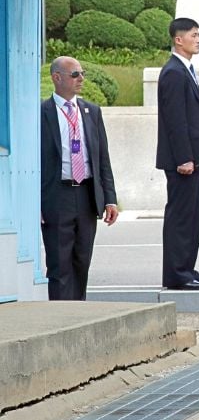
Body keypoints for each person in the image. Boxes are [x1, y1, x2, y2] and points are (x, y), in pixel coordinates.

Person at [40, 57, 118, 300]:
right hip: (57, 195)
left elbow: (102, 158)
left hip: (86, 194)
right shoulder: (42, 113)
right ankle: (60, 316)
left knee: (81, 260)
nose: (81, 79)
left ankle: (78, 312)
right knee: (59, 264)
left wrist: (110, 199)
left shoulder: (91, 111)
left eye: (82, 73)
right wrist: (35, 203)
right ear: (57, 77)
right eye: (75, 74)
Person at [157, 17, 199, 291]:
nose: (198, 39)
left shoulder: (185, 70)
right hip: (184, 161)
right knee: (181, 217)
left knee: (192, 217)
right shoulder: (173, 72)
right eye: (193, 35)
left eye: (198, 34)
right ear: (178, 39)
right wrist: (184, 158)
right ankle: (176, 273)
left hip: (196, 159)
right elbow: (175, 120)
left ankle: (186, 268)